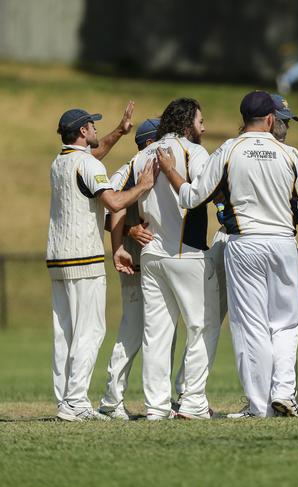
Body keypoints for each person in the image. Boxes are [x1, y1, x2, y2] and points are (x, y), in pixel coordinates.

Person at [156, 91, 298, 418]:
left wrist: (170, 171)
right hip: (283, 241)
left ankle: (259, 405)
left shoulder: (229, 149)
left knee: (249, 325)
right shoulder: (290, 154)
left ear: (244, 120)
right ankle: (284, 391)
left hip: (244, 243)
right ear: (271, 119)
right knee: (286, 322)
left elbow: (193, 197)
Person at [47, 107, 155, 421]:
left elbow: (95, 159)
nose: (96, 130)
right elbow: (115, 202)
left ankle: (65, 400)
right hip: (84, 257)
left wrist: (120, 132)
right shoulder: (89, 164)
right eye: (92, 126)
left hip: (57, 257)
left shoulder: (61, 161)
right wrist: (143, 186)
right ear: (83, 132)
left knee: (63, 333)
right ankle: (77, 402)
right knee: (90, 330)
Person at [122, 98, 222, 420]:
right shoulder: (195, 152)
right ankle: (192, 403)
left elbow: (114, 198)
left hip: (151, 254)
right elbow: (205, 193)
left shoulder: (141, 156)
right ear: (186, 123)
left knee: (156, 335)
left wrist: (131, 226)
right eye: (200, 120)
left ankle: (156, 408)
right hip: (187, 252)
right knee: (202, 327)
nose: (203, 127)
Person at [97, 119, 160, 420]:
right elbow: (107, 211)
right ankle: (111, 399)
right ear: (150, 144)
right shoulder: (132, 167)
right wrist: (130, 229)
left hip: (159, 261)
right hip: (134, 261)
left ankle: (161, 401)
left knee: (161, 332)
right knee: (132, 328)